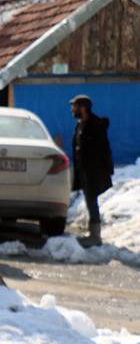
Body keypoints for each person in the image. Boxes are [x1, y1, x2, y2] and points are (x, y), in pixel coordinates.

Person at [69, 94, 113, 246]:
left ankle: (95, 236)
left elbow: (103, 150)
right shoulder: (81, 124)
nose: (72, 110)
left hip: (94, 171)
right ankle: (93, 233)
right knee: (89, 200)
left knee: (92, 200)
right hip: (85, 171)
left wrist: (101, 170)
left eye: (74, 107)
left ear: (83, 108)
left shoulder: (95, 125)